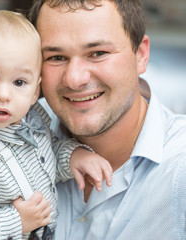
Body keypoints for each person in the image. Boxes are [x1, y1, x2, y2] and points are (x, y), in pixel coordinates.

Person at [0, 10, 112, 240]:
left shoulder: (29, 120)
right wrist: (17, 220)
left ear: (34, 91)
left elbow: (41, 162)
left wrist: (73, 156)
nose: (3, 95)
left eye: (19, 82)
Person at [28, 0, 186, 239]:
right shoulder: (16, 132)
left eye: (97, 53)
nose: (74, 79)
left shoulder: (179, 170)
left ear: (141, 54)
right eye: (56, 57)